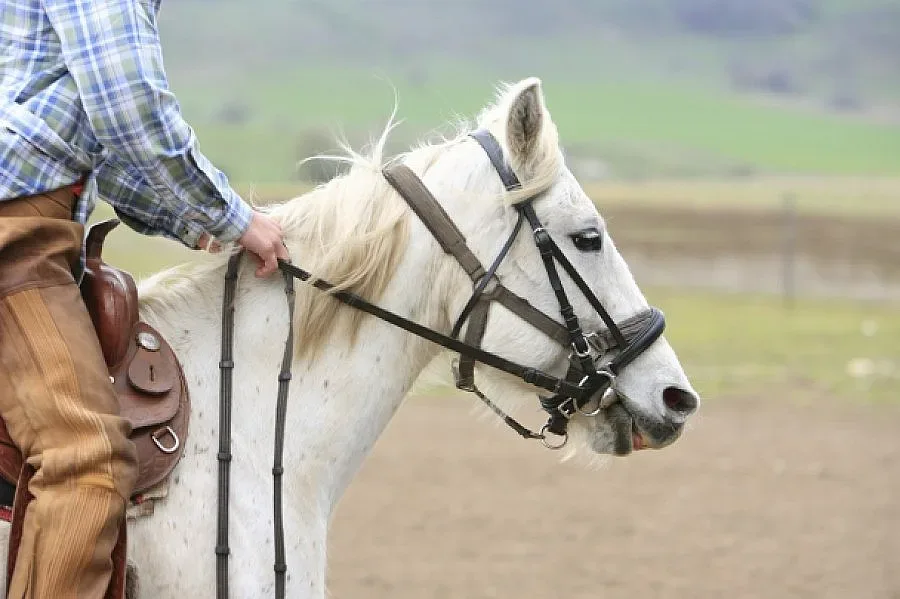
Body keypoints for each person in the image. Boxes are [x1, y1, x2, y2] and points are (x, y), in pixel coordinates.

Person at [0, 1, 288, 596]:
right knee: (86, 459)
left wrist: (199, 222)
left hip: (33, 214)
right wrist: (231, 217)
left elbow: (95, 141)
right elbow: (128, 107)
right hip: (16, 233)